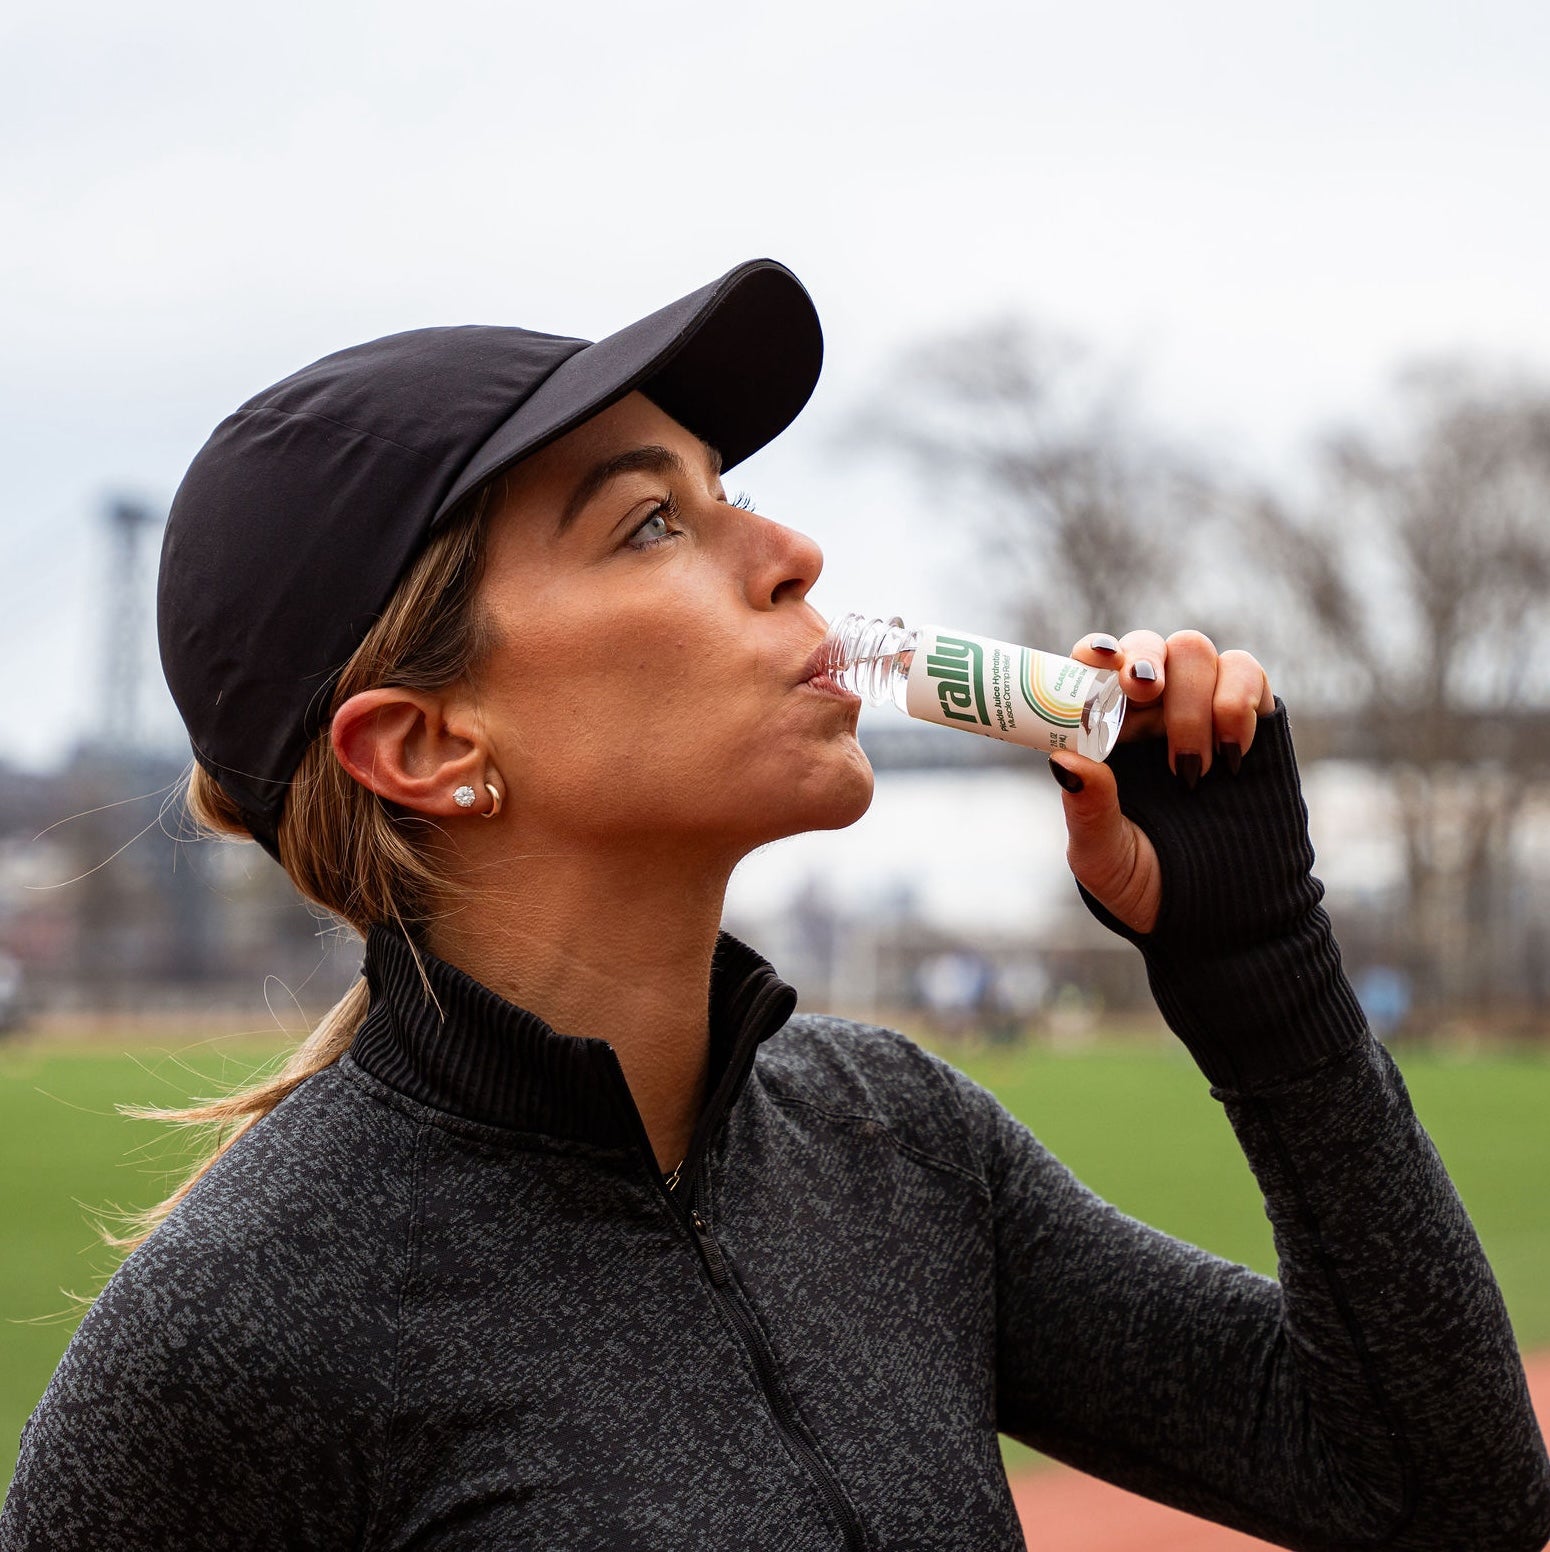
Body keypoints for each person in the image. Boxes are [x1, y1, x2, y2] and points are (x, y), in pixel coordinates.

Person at [2, 259, 1547, 1551]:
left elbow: (1443, 1494)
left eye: (726, 492)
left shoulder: (893, 1143)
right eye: (649, 522)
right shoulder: (242, 1331)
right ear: (425, 745)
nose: (794, 552)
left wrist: (1258, 963)